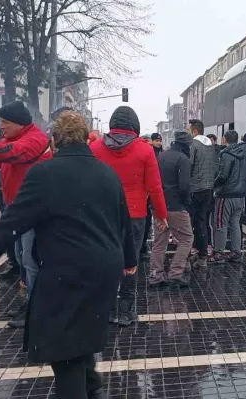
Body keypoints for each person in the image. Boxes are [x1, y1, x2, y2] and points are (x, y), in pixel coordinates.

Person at [0, 111, 136, 398]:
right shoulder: (107, 172)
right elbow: (123, 219)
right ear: (85, 139)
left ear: (55, 142)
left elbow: (13, 223)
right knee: (81, 340)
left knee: (65, 352)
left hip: (66, 272)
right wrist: (130, 259)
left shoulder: (44, 173)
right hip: (105, 269)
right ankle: (93, 392)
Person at [90, 106, 168, 327]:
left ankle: (106, 309)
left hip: (102, 213)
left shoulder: (95, 148)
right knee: (130, 261)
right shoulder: (145, 151)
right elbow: (155, 187)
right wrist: (161, 215)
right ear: (135, 126)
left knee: (104, 259)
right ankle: (126, 310)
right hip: (134, 214)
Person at [0, 101, 52, 328]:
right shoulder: (11, 139)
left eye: (5, 122)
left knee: (31, 259)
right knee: (20, 256)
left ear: (18, 123)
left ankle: (35, 306)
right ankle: (29, 299)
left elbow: (11, 153)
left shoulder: (35, 139)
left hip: (33, 212)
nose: (1, 126)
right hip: (16, 210)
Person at [149, 131, 194, 287]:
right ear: (186, 145)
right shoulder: (183, 159)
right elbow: (184, 186)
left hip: (158, 205)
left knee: (159, 242)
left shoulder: (161, 156)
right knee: (187, 239)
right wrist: (186, 203)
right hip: (175, 206)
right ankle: (175, 273)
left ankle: (156, 276)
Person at [212, 130, 246, 262]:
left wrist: (214, 185)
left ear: (225, 139)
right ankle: (236, 252)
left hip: (226, 194)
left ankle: (218, 252)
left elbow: (223, 175)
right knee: (235, 223)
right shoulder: (243, 154)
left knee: (221, 223)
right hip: (240, 195)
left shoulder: (226, 154)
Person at [188, 119, 217, 268]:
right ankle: (203, 255)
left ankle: (189, 254)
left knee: (191, 223)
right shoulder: (211, 145)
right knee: (203, 222)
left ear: (194, 131)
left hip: (195, 189)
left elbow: (189, 165)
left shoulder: (194, 144)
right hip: (208, 189)